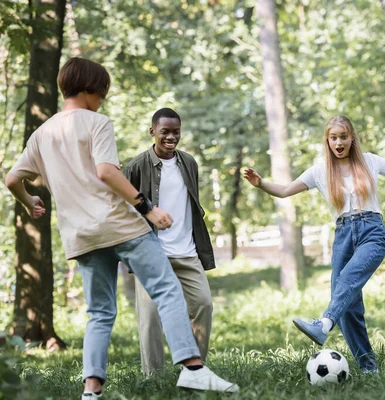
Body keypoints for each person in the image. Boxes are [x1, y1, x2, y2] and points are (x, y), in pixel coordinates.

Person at [4, 57, 238, 399]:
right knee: (167, 290)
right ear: (88, 89)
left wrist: (29, 201)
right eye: (102, 92)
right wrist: (148, 207)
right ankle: (193, 369)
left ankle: (92, 390)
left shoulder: (42, 134)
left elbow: (11, 179)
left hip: (81, 236)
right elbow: (106, 172)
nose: (102, 99)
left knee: (99, 314)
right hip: (120, 227)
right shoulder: (97, 122)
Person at [244, 115, 385, 373]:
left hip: (372, 232)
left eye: (343, 136)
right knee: (349, 305)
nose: (339, 142)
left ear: (352, 138)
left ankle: (324, 323)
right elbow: (285, 191)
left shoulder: (370, 161)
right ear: (327, 141)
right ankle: (368, 367)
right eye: (333, 137)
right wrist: (261, 184)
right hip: (342, 236)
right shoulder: (319, 172)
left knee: (347, 281)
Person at [123, 107, 215, 375]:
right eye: (165, 132)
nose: (171, 137)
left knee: (203, 305)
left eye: (176, 132)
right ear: (153, 131)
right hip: (152, 254)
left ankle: (194, 372)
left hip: (187, 252)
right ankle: (153, 377)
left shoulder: (189, 163)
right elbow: (125, 207)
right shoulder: (136, 166)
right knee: (151, 317)